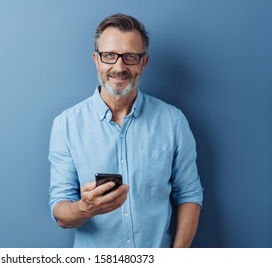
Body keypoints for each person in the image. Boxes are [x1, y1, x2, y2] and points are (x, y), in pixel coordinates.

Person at [48, 13, 203, 248]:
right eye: (109, 56)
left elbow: (190, 193)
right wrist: (85, 208)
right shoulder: (66, 125)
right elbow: (60, 212)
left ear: (144, 62)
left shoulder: (173, 121)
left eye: (130, 57)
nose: (119, 67)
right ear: (96, 59)